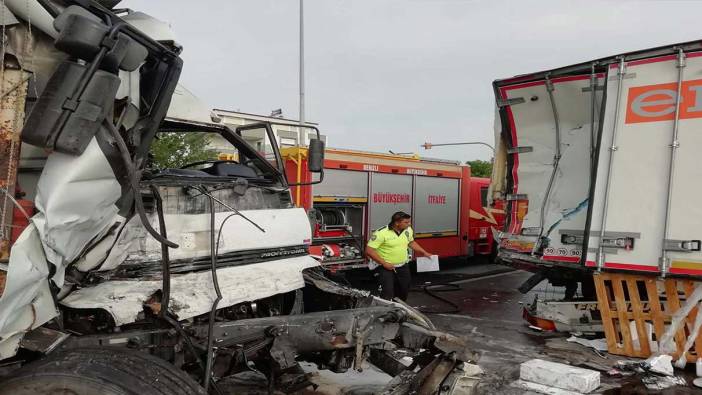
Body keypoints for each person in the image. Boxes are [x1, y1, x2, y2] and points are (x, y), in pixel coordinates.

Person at [366, 211, 433, 301]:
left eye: (409, 222)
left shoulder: (408, 230)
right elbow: (369, 250)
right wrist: (384, 263)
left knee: (403, 290)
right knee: (387, 292)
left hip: (402, 266)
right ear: (397, 223)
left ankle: (398, 311)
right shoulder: (381, 233)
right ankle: (386, 312)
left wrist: (424, 252)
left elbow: (411, 242)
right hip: (385, 267)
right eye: (406, 222)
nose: (409, 224)